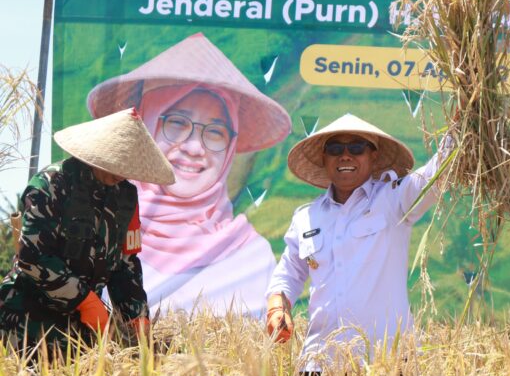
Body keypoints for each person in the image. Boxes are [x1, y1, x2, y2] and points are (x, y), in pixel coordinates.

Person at [86, 32, 292, 317]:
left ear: (231, 147)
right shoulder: (98, 228)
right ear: (144, 126)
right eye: (176, 123)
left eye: (216, 132)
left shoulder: (251, 257)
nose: (195, 147)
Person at [264, 113, 451, 376]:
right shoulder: (306, 216)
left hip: (387, 362)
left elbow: (437, 173)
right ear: (323, 158)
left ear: (373, 156)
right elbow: (289, 274)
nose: (345, 156)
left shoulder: (395, 199)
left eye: (356, 148)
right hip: (319, 363)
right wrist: (277, 308)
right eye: (335, 148)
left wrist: (462, 124)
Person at [0, 109, 175, 352]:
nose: (120, 173)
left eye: (128, 166)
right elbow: (32, 257)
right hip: (26, 321)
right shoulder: (51, 184)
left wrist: (136, 315)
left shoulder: (126, 196)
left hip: (82, 330)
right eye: (116, 163)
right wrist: (85, 300)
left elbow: (126, 263)